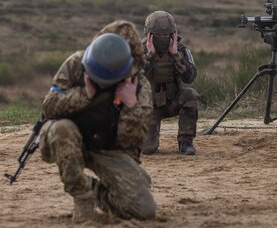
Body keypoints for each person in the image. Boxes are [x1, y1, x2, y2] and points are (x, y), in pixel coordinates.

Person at [39, 21, 155, 223]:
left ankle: (94, 190)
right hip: (70, 140)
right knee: (62, 128)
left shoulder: (138, 86)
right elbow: (49, 106)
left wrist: (131, 105)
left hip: (109, 148)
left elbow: (131, 142)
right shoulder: (76, 64)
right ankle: (82, 195)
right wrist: (85, 94)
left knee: (143, 210)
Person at [142, 11, 199, 155]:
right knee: (148, 149)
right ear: (149, 34)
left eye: (166, 35)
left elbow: (190, 77)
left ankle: (186, 142)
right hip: (149, 107)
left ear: (172, 34)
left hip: (172, 102)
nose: (163, 38)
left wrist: (175, 56)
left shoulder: (180, 49)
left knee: (190, 95)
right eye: (159, 35)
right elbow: (131, 76)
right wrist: (149, 56)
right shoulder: (139, 50)